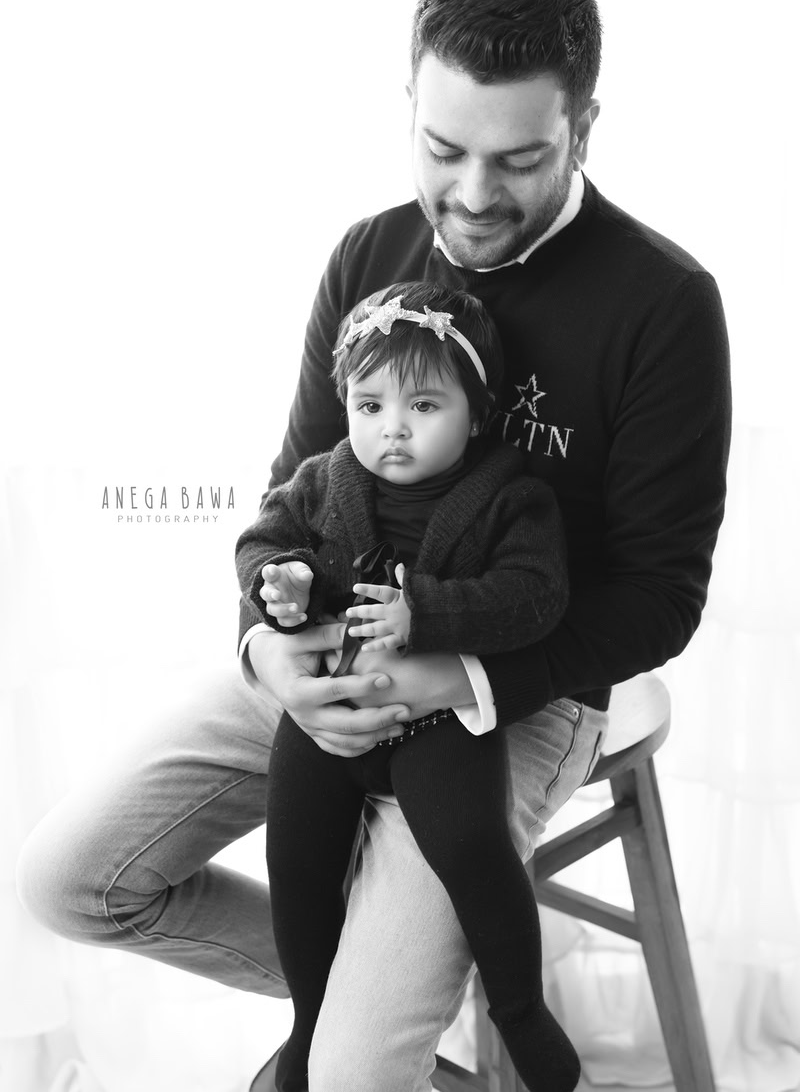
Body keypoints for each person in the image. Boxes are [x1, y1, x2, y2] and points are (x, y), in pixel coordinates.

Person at [16, 0, 731, 1092]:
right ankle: (360, 993)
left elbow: (659, 596)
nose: (473, 194)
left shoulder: (662, 303)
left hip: (525, 680)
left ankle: (372, 1021)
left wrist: (460, 674)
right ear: (408, 105)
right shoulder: (367, 253)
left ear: (583, 127)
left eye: (518, 158)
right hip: (334, 640)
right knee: (69, 881)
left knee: (346, 1074)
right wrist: (268, 649)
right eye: (443, 149)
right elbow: (290, 492)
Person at [240, 280, 577, 1092]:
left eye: (424, 405)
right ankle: (310, 1018)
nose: (392, 427)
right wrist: (278, 583)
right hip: (332, 710)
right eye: (369, 405)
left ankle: (521, 1009)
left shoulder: (512, 497)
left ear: (477, 412)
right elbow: (263, 538)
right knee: (296, 858)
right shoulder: (324, 479)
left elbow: (536, 596)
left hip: (434, 721)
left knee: (471, 848)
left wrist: (426, 611)